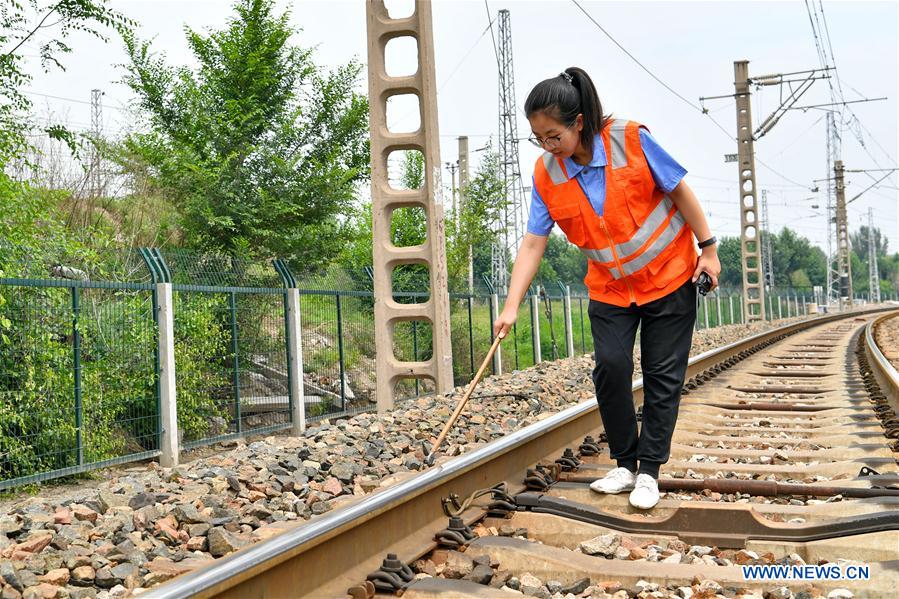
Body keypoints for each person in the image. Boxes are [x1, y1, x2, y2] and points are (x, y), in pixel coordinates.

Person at [492, 67, 720, 510]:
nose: (547, 145)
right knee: (611, 369)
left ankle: (649, 471)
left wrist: (708, 249)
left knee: (661, 378)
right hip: (612, 289)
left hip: (669, 278)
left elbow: (680, 191)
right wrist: (511, 304)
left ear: (579, 122)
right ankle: (625, 462)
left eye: (553, 135)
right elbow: (534, 240)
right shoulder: (547, 173)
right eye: (538, 137)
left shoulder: (631, 139)